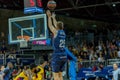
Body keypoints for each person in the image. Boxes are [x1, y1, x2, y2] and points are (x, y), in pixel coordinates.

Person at [46, 10, 67, 80]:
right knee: (60, 75)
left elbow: (50, 26)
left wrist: (49, 17)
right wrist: (53, 17)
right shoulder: (63, 32)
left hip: (57, 55)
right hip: (64, 55)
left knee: (55, 76)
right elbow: (56, 25)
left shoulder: (56, 32)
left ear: (57, 27)